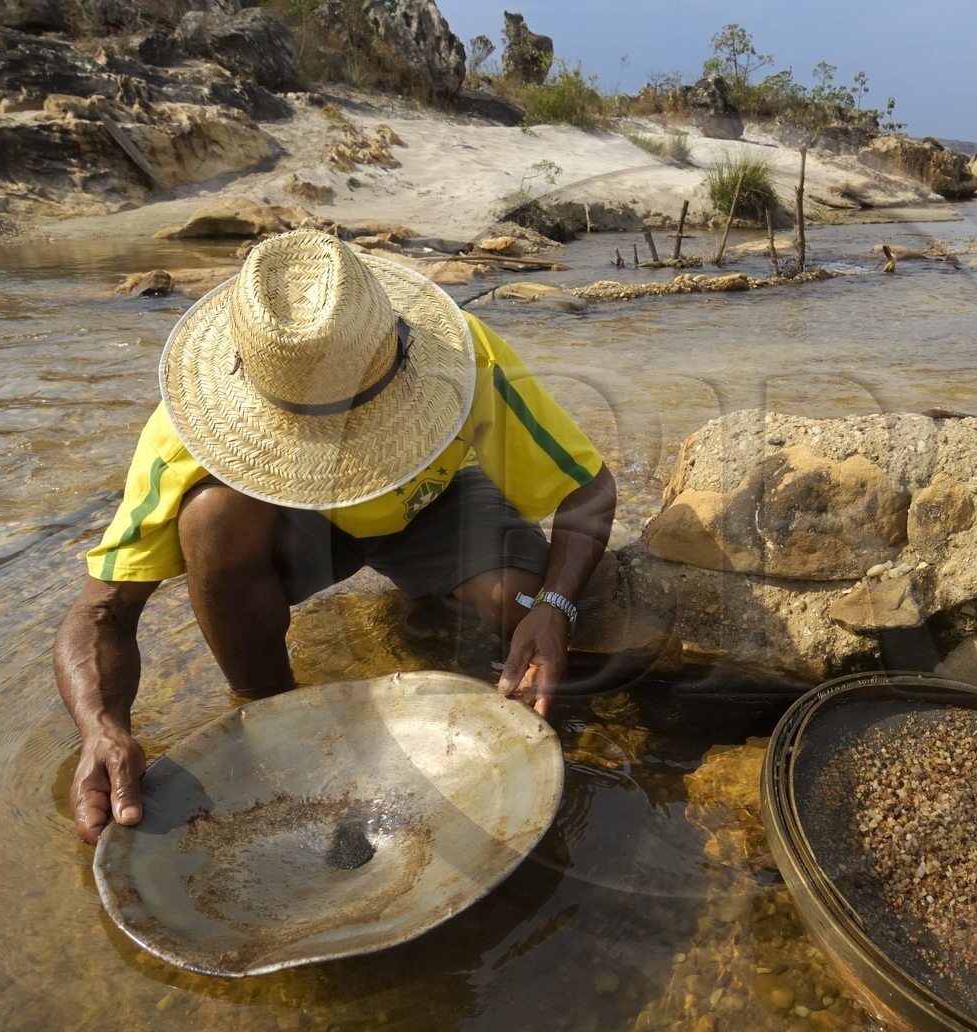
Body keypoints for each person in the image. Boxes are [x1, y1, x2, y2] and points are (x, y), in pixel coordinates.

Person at [55, 230, 616, 844]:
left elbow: (587, 490)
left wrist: (555, 608)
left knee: (518, 604)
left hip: (436, 502)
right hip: (304, 527)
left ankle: (440, 602)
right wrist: (101, 726)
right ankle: (269, 708)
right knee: (212, 516)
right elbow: (102, 610)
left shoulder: (465, 359)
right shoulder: (183, 436)